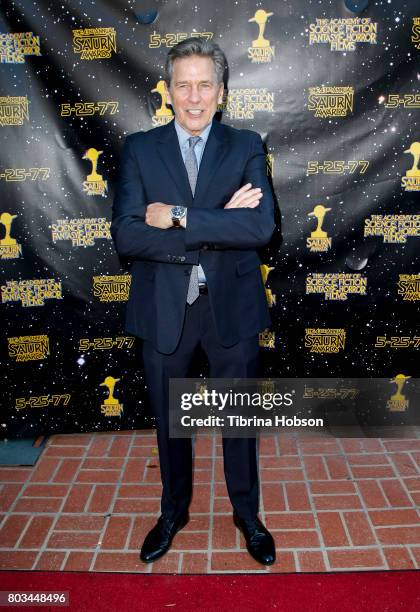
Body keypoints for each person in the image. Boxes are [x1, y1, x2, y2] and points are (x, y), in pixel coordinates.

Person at [111, 37, 276, 566]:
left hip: (232, 306)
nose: (194, 96)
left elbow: (261, 227)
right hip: (164, 307)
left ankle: (247, 515)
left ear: (222, 91)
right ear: (167, 91)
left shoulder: (247, 144)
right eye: (183, 84)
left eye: (205, 84)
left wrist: (179, 215)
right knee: (170, 422)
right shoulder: (139, 148)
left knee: (238, 421)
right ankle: (172, 510)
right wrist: (219, 219)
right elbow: (128, 237)